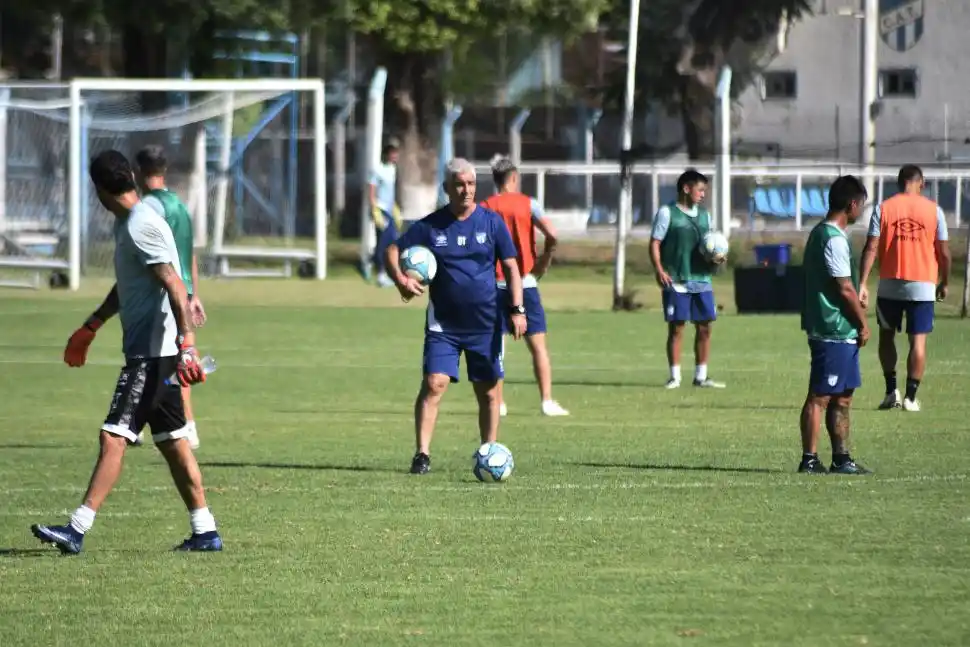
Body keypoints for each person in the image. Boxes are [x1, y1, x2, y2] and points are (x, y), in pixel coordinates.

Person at [33, 149, 221, 554]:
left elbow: (172, 284)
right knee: (173, 442)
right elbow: (131, 286)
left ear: (100, 190)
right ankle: (205, 530)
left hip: (152, 355)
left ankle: (76, 528)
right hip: (156, 351)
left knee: (113, 436)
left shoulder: (141, 225)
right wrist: (92, 325)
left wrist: (187, 346)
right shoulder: (129, 224)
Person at [386, 158, 527, 475]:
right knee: (434, 384)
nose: (466, 190)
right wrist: (401, 280)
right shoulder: (430, 226)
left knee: (490, 391)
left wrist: (517, 309)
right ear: (447, 188)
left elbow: (512, 268)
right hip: (444, 325)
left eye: (471, 184)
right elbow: (392, 251)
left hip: (486, 323)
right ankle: (422, 454)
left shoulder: (492, 223)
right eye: (460, 184)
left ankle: (488, 450)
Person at [480, 155, 568, 418]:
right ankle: (547, 401)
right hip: (525, 282)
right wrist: (546, 257)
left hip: (494, 283)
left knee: (497, 347)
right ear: (514, 178)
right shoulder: (529, 204)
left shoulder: (486, 206)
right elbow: (552, 234)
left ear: (496, 181)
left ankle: (499, 403)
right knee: (538, 345)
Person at [858, 164, 951, 412]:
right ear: (921, 183)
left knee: (887, 336)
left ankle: (891, 392)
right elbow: (944, 252)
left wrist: (863, 283)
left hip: (890, 284)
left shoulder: (884, 208)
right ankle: (910, 397)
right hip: (923, 285)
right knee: (917, 342)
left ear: (899, 184)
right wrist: (945, 281)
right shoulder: (934, 211)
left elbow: (871, 247)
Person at [799, 175, 871, 475]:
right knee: (820, 395)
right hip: (832, 328)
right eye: (861, 205)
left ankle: (841, 458)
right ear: (851, 204)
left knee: (843, 395)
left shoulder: (825, 234)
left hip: (841, 331)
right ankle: (810, 459)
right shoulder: (831, 238)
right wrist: (863, 322)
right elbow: (843, 289)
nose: (862, 211)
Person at [135, 145, 206, 449]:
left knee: (149, 358)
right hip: (184, 289)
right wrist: (194, 294)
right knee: (180, 359)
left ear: (138, 172)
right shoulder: (179, 204)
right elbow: (188, 251)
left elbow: (160, 256)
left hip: (163, 293)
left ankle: (177, 425)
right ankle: (182, 424)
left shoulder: (149, 207)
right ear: (163, 171)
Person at [649, 169, 725, 389]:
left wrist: (716, 257)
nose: (703, 195)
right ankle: (675, 377)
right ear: (686, 188)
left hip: (702, 278)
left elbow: (710, 243)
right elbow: (655, 242)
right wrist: (659, 269)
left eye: (705, 191)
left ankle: (701, 376)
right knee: (677, 327)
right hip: (677, 279)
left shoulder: (705, 215)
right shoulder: (667, 213)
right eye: (700, 190)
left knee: (705, 327)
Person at [370, 139, 402, 287]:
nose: (395, 155)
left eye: (396, 152)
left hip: (389, 209)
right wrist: (375, 210)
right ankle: (381, 273)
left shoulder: (393, 170)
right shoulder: (377, 169)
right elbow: (372, 191)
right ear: (387, 154)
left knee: (392, 242)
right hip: (381, 210)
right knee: (384, 242)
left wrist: (395, 208)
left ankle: (383, 270)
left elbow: (391, 192)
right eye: (392, 153)